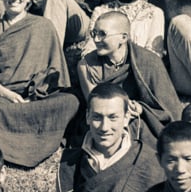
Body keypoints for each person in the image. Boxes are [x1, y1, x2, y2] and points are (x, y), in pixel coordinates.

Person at [0, 0, 80, 168]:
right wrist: (7, 94)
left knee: (71, 101)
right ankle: (21, 136)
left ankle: (26, 128)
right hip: (1, 96)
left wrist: (36, 94)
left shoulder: (43, 26)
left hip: (35, 97)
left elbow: (54, 72)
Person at [78, 12, 182, 145]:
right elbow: (95, 105)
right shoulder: (86, 64)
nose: (96, 40)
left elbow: (168, 107)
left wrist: (141, 108)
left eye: (102, 34)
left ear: (123, 37)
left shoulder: (148, 61)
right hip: (107, 120)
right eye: (94, 33)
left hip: (141, 118)